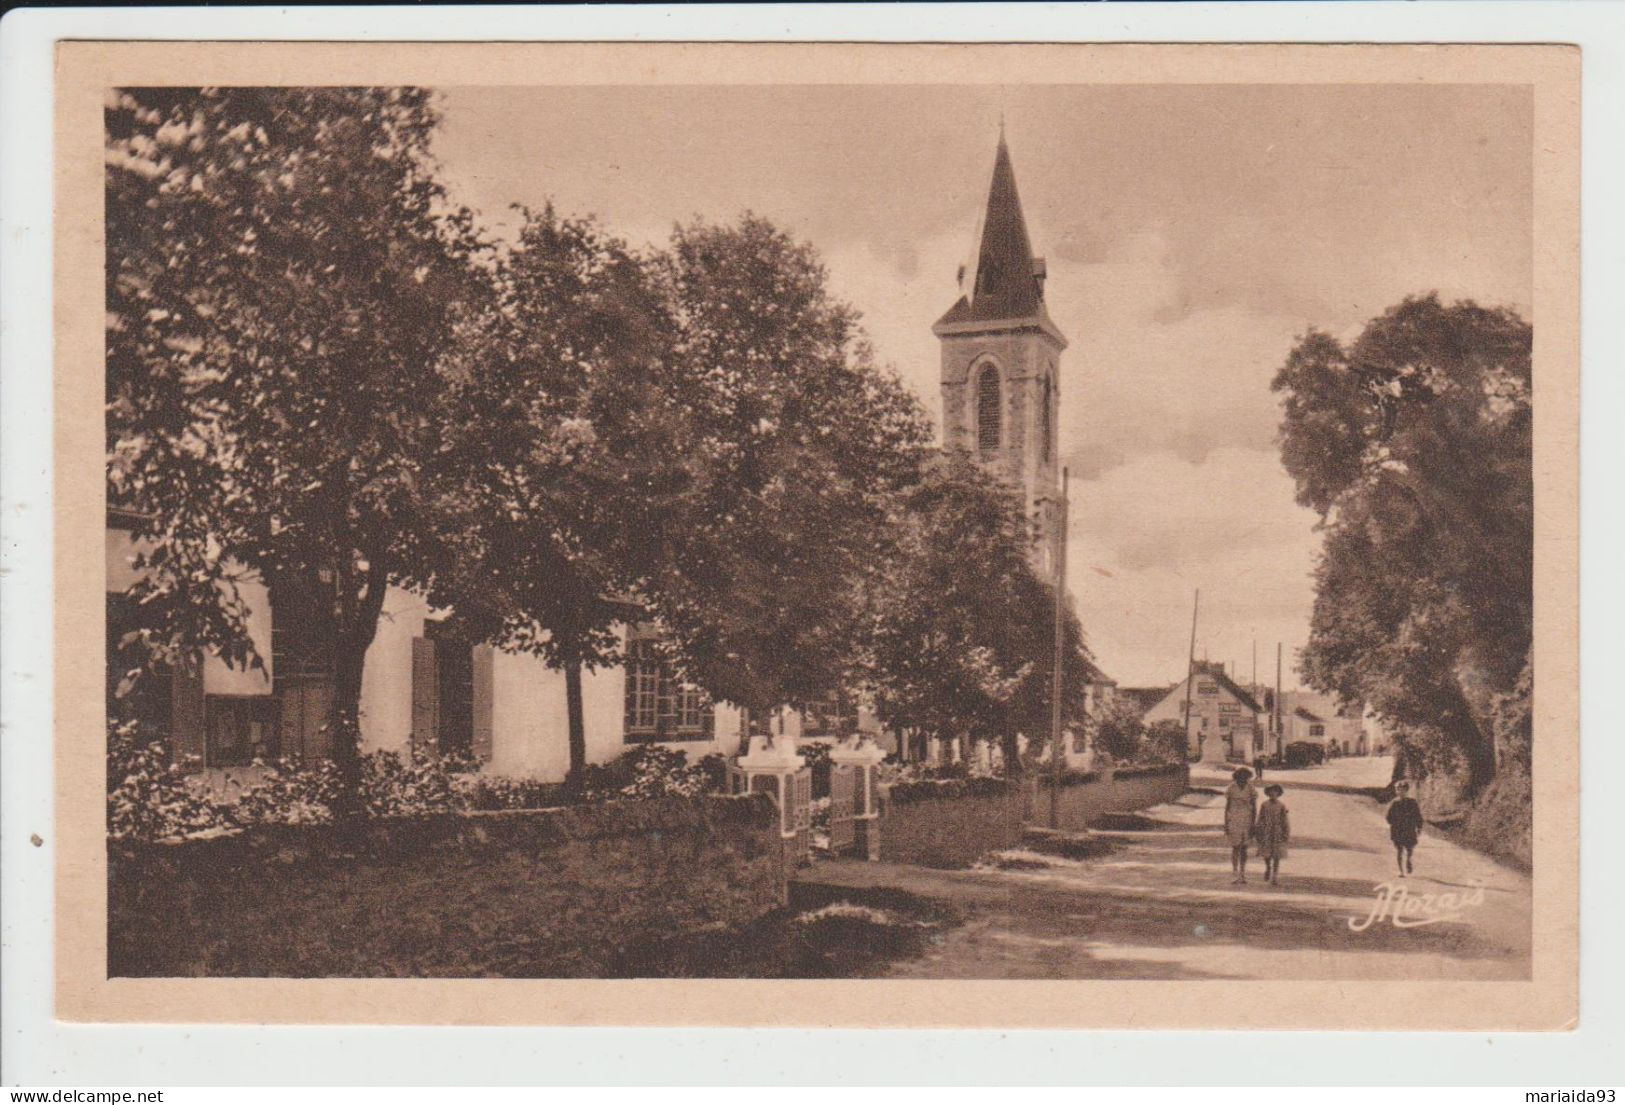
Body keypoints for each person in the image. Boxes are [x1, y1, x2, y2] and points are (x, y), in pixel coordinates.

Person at [1223, 767, 1259, 883]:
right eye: (1240, 777)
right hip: (1234, 818)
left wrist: (1253, 823)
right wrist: (1226, 823)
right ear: (1236, 777)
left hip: (1247, 819)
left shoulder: (1250, 788)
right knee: (1235, 847)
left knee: (1244, 848)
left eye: (1245, 777)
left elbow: (1254, 807)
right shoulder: (1231, 788)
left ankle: (1242, 873)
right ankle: (1234, 872)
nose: (1243, 780)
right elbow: (1227, 806)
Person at [1386, 779, 1424, 876]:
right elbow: (1388, 817)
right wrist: (1394, 822)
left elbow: (1418, 815)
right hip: (1398, 830)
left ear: (1406, 791)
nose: (1400, 792)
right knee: (1399, 850)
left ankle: (1408, 860)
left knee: (1409, 848)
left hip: (1409, 829)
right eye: (1398, 790)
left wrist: (1419, 827)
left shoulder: (1412, 802)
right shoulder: (1394, 803)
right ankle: (1401, 871)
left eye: (1402, 790)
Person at [1255, 783, 1290, 884]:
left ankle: (1275, 876)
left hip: (1277, 832)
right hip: (1266, 831)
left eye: (1275, 792)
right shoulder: (1264, 805)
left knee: (1277, 855)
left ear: (1278, 793)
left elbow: (1285, 820)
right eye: (1271, 792)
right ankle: (1268, 867)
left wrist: (1286, 832)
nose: (1273, 794)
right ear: (1268, 793)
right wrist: (1258, 830)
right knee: (1267, 853)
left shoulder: (1281, 805)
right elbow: (1260, 818)